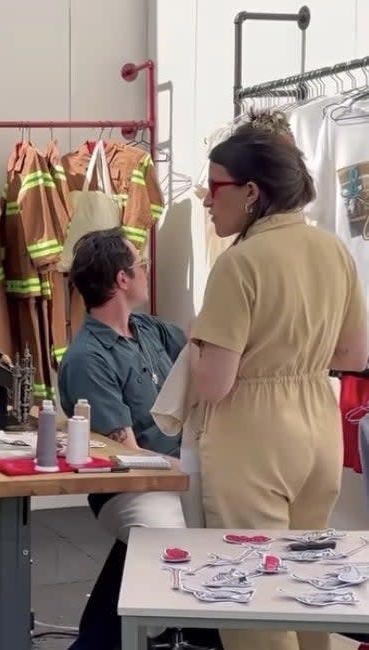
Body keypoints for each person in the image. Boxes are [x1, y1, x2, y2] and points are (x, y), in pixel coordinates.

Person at [191, 129, 369, 650]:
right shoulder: (333, 251)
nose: (206, 199)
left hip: (253, 437)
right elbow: (355, 357)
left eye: (213, 186)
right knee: (304, 585)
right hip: (318, 425)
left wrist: (197, 342)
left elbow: (215, 384)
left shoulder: (240, 263)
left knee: (252, 598)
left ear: (250, 192)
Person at [58, 228, 218, 650]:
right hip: (129, 485)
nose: (146, 270)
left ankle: (100, 640)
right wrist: (187, 469)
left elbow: (201, 341)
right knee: (173, 545)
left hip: (177, 471)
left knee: (227, 524)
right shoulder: (88, 357)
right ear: (121, 280)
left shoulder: (147, 331)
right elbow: (125, 455)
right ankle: (166, 633)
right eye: (140, 264)